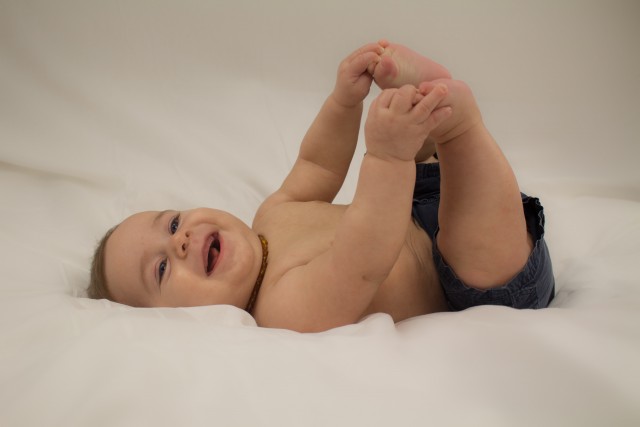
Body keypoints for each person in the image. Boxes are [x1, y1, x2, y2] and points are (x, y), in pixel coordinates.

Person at [88, 40, 555, 332]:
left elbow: (317, 165)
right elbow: (361, 262)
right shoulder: (281, 309)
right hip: (472, 282)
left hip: (415, 200)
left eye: (172, 223)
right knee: (469, 240)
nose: (181, 241)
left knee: (417, 141)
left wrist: (343, 103)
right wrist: (387, 157)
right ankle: (458, 124)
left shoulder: (269, 217)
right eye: (161, 269)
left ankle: (430, 105)